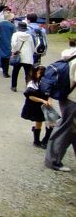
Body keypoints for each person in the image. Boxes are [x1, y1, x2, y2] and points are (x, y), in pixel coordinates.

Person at [44, 39, 76, 172]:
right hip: (73, 99)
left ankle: (53, 159)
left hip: (68, 98)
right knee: (66, 129)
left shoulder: (71, 55)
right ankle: (52, 160)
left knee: (72, 129)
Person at [21, 65, 52, 148]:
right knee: (39, 123)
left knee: (51, 123)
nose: (40, 74)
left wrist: (49, 101)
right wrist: (42, 100)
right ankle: (36, 141)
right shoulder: (32, 84)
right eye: (39, 72)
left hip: (46, 105)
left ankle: (45, 140)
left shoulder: (47, 83)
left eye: (42, 72)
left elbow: (50, 93)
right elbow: (30, 96)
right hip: (36, 106)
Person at [10, 21, 34, 92]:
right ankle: (28, 87)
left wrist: (14, 51)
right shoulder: (29, 36)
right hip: (28, 57)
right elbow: (32, 46)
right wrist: (31, 54)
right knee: (28, 73)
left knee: (15, 71)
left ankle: (14, 86)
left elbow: (14, 44)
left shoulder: (15, 35)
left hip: (18, 55)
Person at [0, 11, 16, 78]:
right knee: (7, 56)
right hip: (9, 41)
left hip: (0, 41)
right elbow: (14, 34)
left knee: (2, 55)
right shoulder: (12, 26)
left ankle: (2, 68)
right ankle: (5, 72)